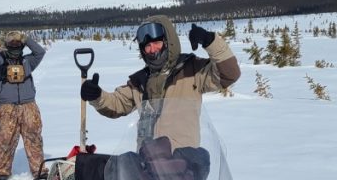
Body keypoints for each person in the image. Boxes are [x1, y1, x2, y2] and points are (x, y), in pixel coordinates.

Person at [79, 15, 241, 150]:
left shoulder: (192, 70)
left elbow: (228, 74)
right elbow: (117, 104)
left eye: (156, 42)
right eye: (147, 46)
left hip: (184, 164)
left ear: (168, 41)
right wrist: (97, 96)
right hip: (147, 165)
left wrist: (210, 41)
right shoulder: (140, 81)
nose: (152, 49)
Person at [0, 30, 46, 180]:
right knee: (6, 139)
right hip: (8, 107)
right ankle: (2, 171)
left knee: (34, 137)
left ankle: (39, 170)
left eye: (19, 45)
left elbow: (40, 52)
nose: (15, 48)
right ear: (7, 46)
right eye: (12, 45)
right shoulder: (0, 61)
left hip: (28, 105)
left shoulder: (28, 62)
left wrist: (26, 39)